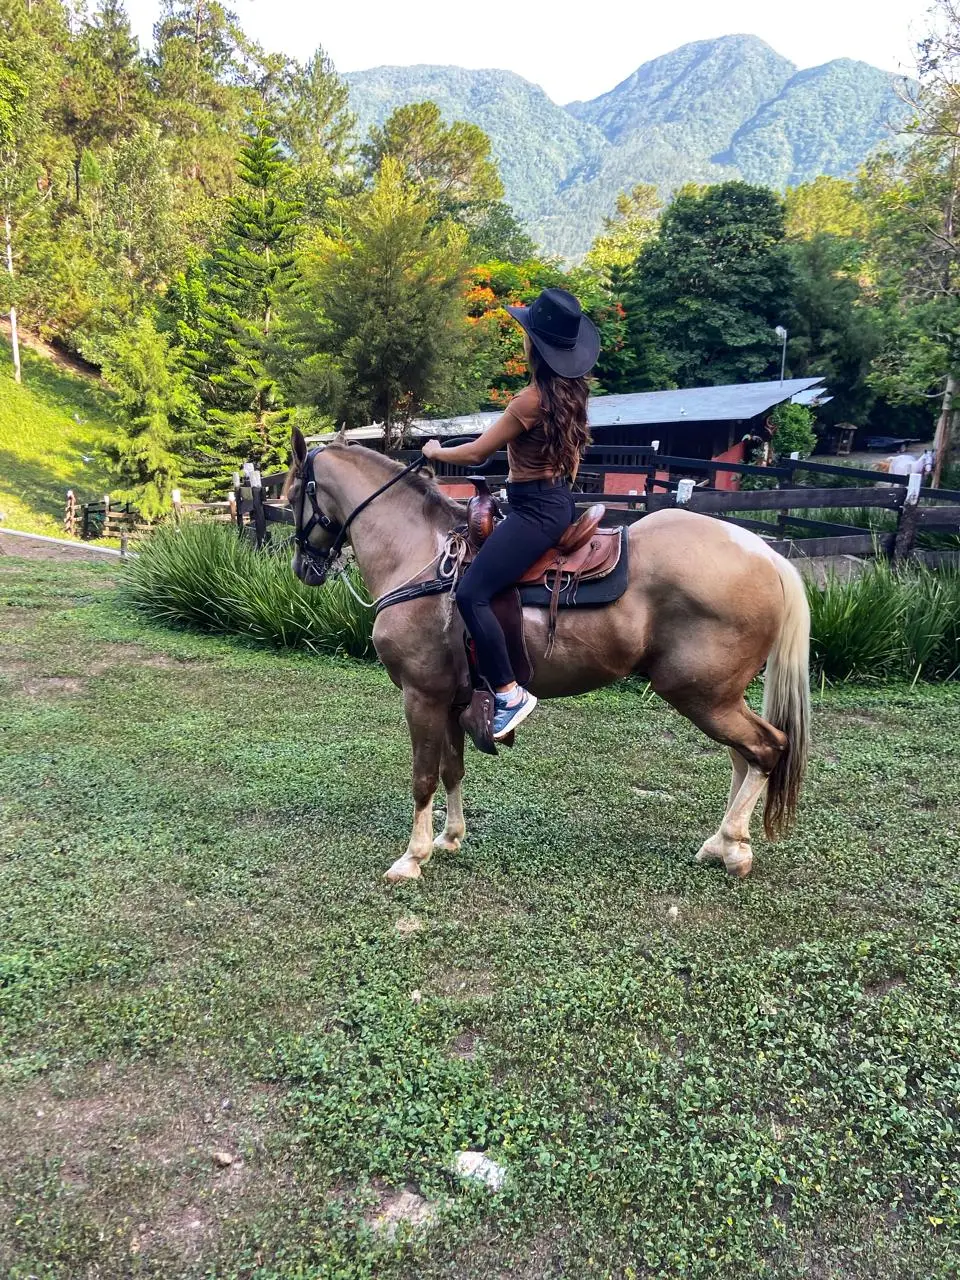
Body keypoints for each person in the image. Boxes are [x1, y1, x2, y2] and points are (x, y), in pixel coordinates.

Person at [422, 287, 600, 740]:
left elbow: (479, 451)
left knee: (472, 592)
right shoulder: (571, 393)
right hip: (551, 500)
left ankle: (508, 692)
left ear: (533, 346)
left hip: (536, 511)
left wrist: (436, 450)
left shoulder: (529, 401)